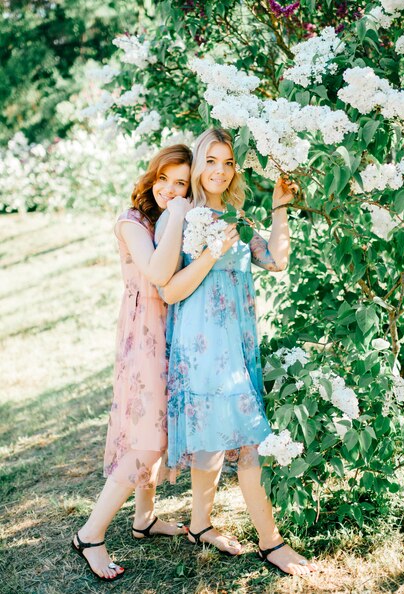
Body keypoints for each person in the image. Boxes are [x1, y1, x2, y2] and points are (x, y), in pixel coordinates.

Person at [156, 129, 318, 576]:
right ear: (196, 164)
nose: (219, 171)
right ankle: (271, 542)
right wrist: (210, 252)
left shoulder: (236, 214)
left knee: (215, 437)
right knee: (249, 442)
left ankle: (200, 524)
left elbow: (275, 261)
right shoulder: (181, 217)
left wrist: (280, 207)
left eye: (227, 162)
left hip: (237, 344)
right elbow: (168, 290)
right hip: (203, 347)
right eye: (211, 160)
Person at [71, 144, 192, 581]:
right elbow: (158, 272)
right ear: (152, 177)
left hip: (174, 330)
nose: (171, 190)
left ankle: (143, 519)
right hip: (144, 335)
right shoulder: (132, 221)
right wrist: (179, 213)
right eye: (165, 179)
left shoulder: (173, 217)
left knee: (157, 429)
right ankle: (90, 534)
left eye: (182, 183)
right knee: (145, 438)